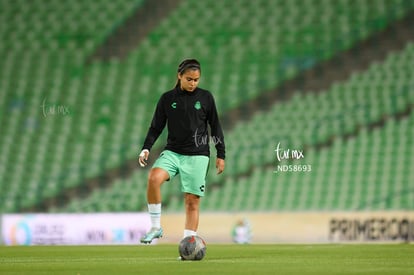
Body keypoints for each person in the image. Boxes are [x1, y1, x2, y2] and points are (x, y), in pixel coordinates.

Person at [138, 58, 226, 244]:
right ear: (179, 76)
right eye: (189, 79)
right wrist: (146, 148)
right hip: (173, 152)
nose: (193, 83)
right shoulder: (167, 99)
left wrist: (221, 154)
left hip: (198, 155)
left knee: (191, 201)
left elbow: (215, 126)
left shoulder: (206, 98)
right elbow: (156, 127)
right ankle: (155, 227)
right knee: (154, 178)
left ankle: (188, 245)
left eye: (196, 80)